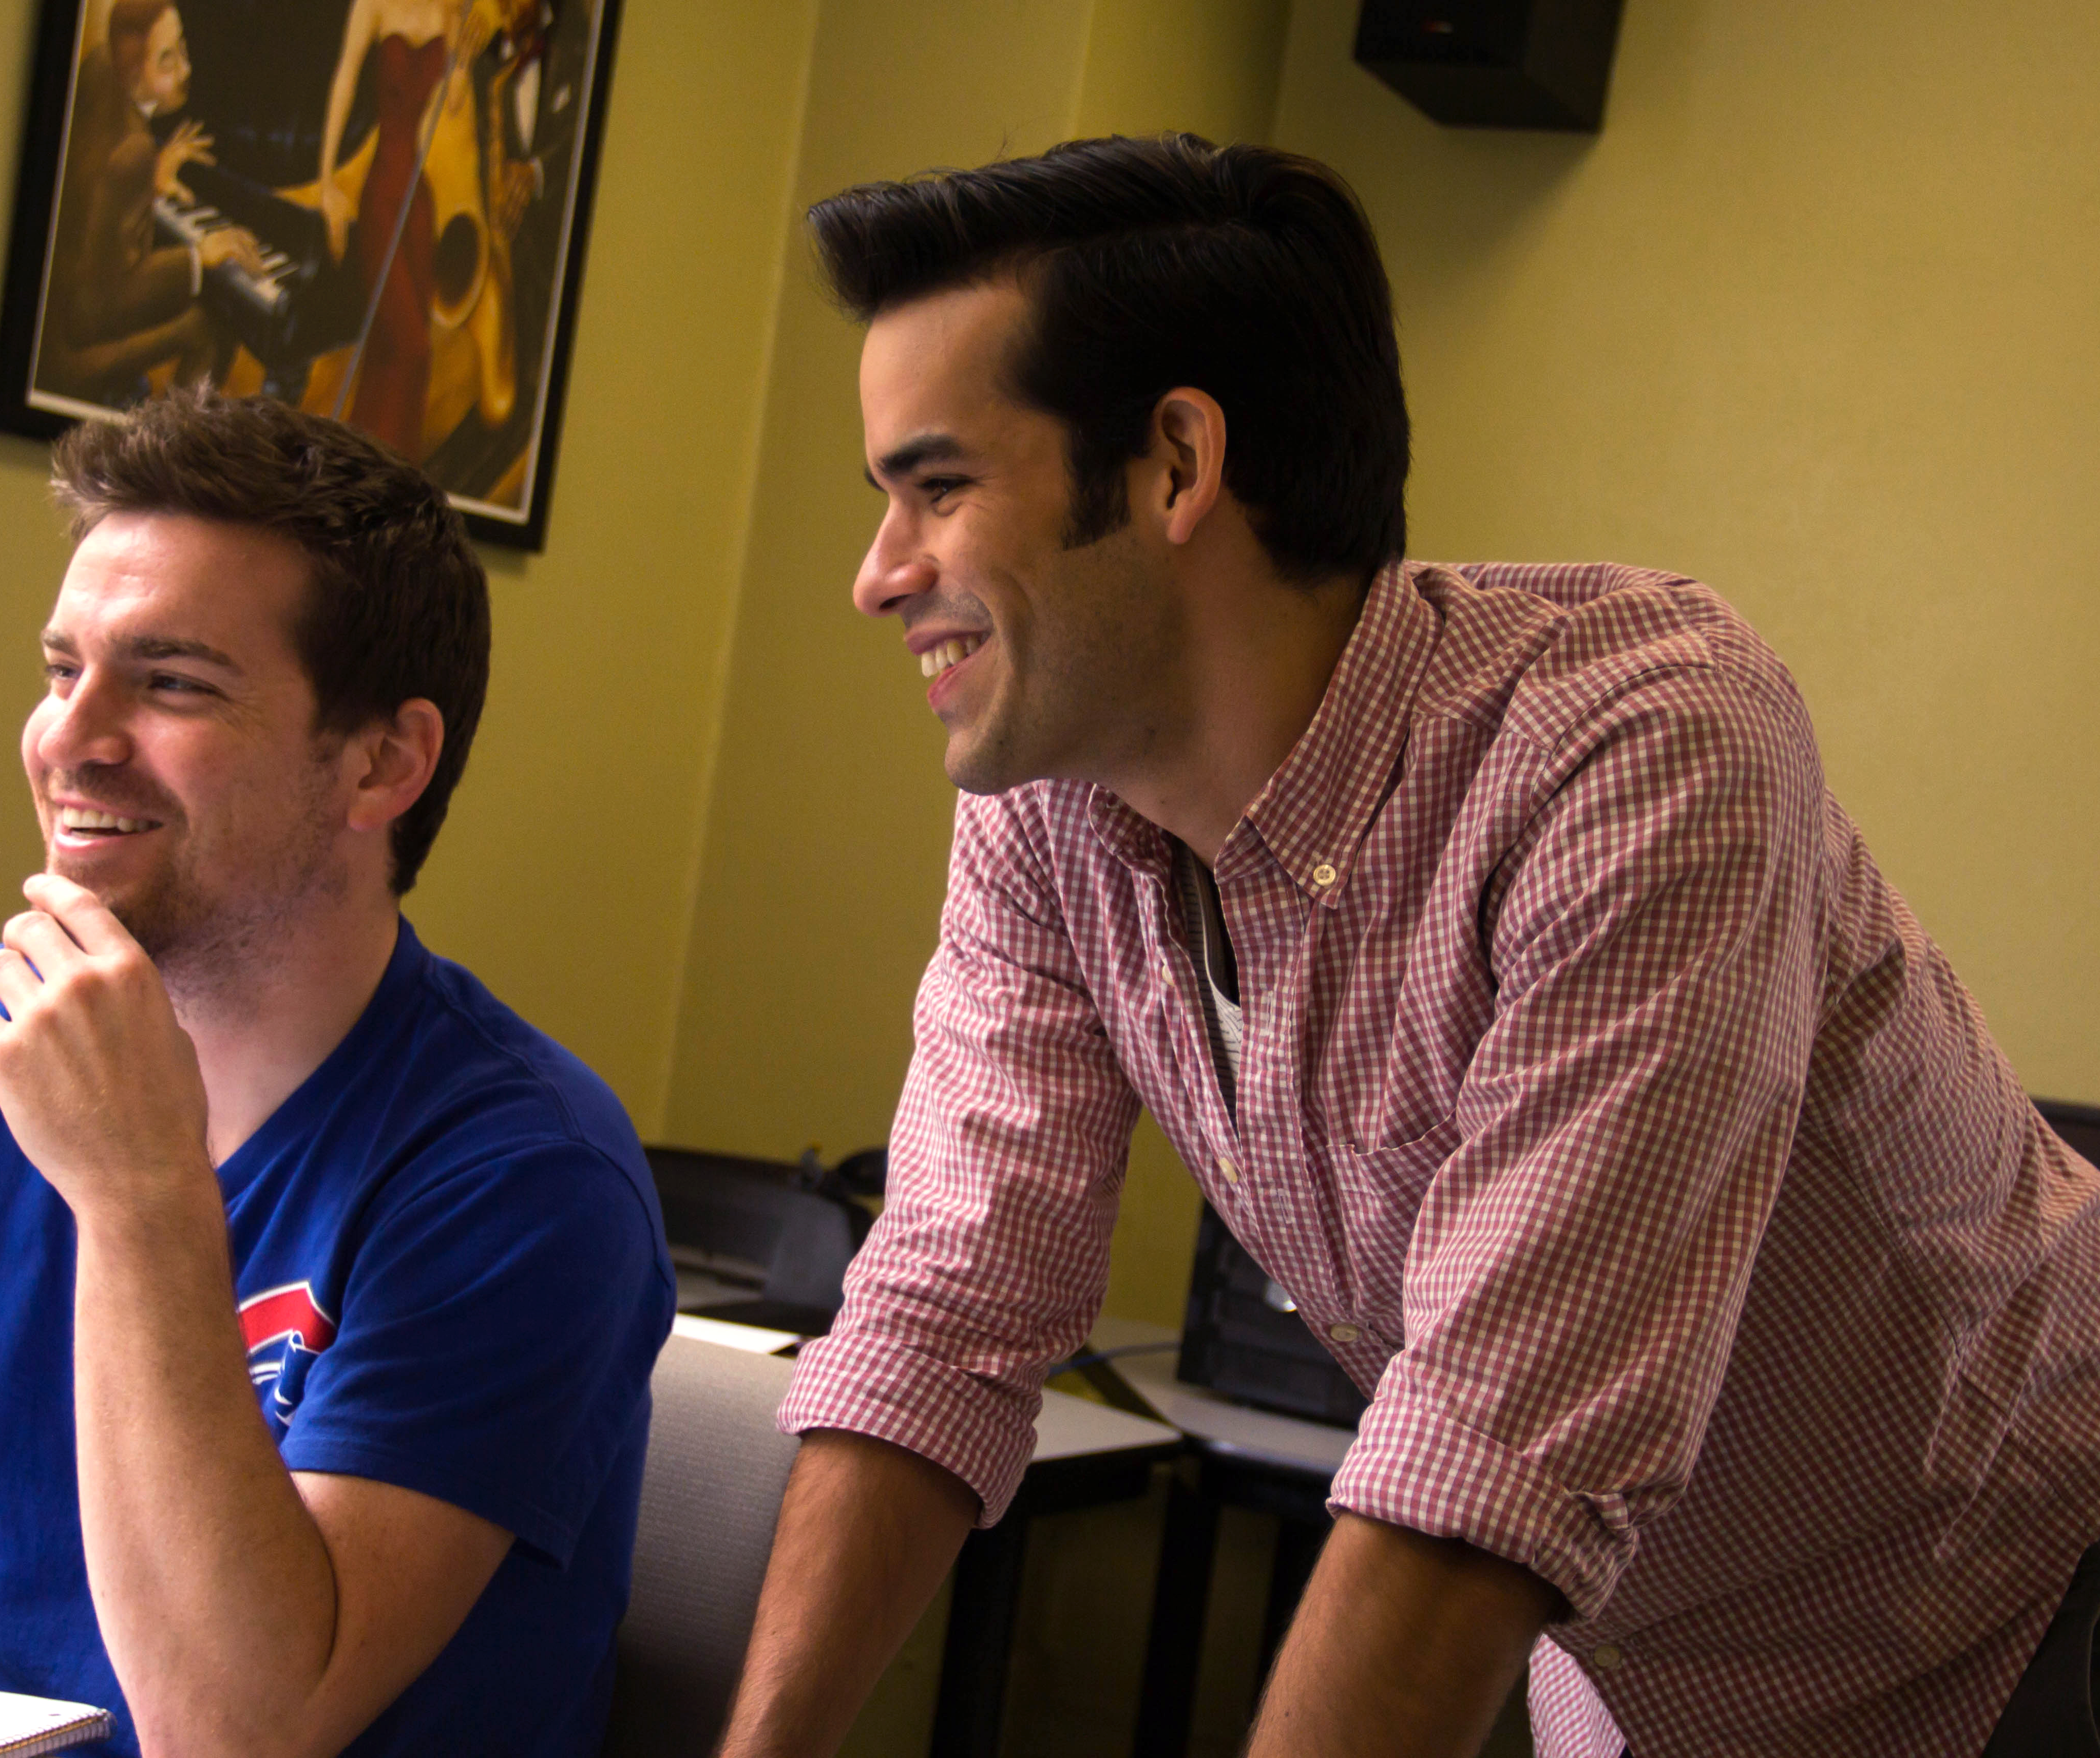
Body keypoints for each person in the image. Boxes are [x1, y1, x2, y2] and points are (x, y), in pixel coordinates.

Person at [715, 134, 2100, 1758]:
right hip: (1652, 1681)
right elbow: (947, 1313)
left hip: (2028, 1603)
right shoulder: (1051, 817)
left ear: (1175, 462)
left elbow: (1493, 1437)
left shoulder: (1636, 743)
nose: (877, 575)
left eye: (937, 488)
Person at [0, 387, 674, 1758]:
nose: (71, 739)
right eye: (60, 669)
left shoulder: (525, 1177)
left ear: (383, 761)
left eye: (171, 684)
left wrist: (140, 1194)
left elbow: (236, 1732)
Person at [36, 0, 265, 409]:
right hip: (69, 357)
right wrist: (199, 257)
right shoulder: (134, 150)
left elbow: (94, 213)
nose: (186, 70)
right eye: (167, 61)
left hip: (54, 320)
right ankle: (161, 453)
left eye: (183, 49)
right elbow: (98, 307)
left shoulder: (101, 65)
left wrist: (154, 185)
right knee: (212, 328)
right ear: (134, 72)